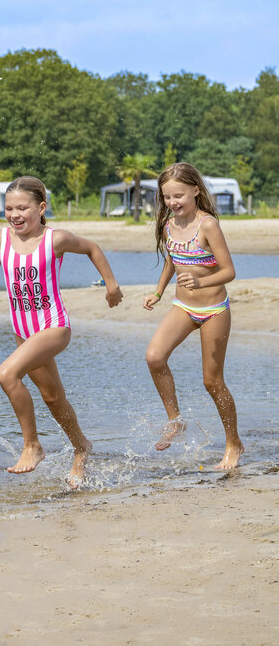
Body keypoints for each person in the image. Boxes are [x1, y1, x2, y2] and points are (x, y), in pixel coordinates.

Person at [0, 176, 123, 487]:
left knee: (7, 374)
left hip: (54, 327)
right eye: (9, 208)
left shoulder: (55, 239)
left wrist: (111, 286)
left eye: (22, 207)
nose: (15, 214)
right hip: (23, 331)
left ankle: (32, 445)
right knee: (52, 398)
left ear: (41, 207)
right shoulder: (0, 240)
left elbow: (91, 248)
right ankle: (81, 448)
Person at [143, 162, 243, 469]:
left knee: (212, 382)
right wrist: (158, 292)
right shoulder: (167, 226)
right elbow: (172, 262)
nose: (173, 202)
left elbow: (229, 271)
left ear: (195, 191)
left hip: (213, 310)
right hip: (183, 306)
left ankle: (233, 443)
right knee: (154, 356)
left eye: (179, 195)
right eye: (167, 197)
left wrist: (201, 281)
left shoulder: (208, 225)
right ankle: (175, 420)